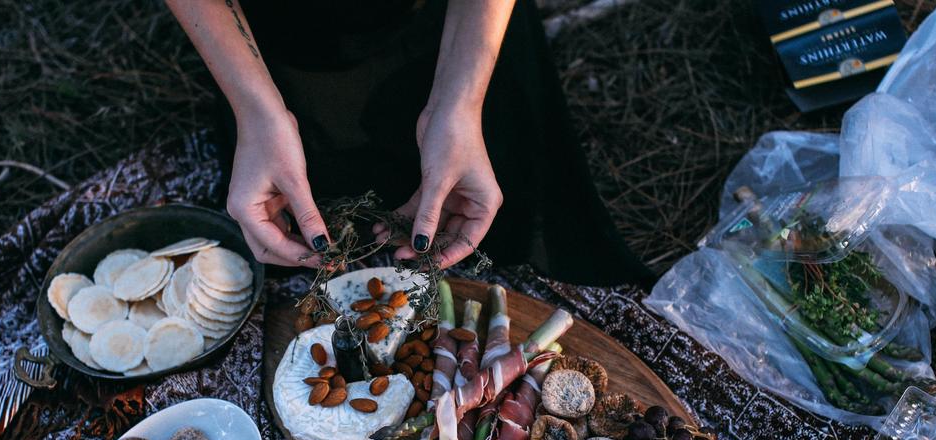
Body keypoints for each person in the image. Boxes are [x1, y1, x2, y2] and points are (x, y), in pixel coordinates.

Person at [167, 0, 655, 287]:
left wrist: (460, 104)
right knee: (295, 245)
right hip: (276, 37)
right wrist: (257, 112)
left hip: (459, 24)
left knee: (510, 230)